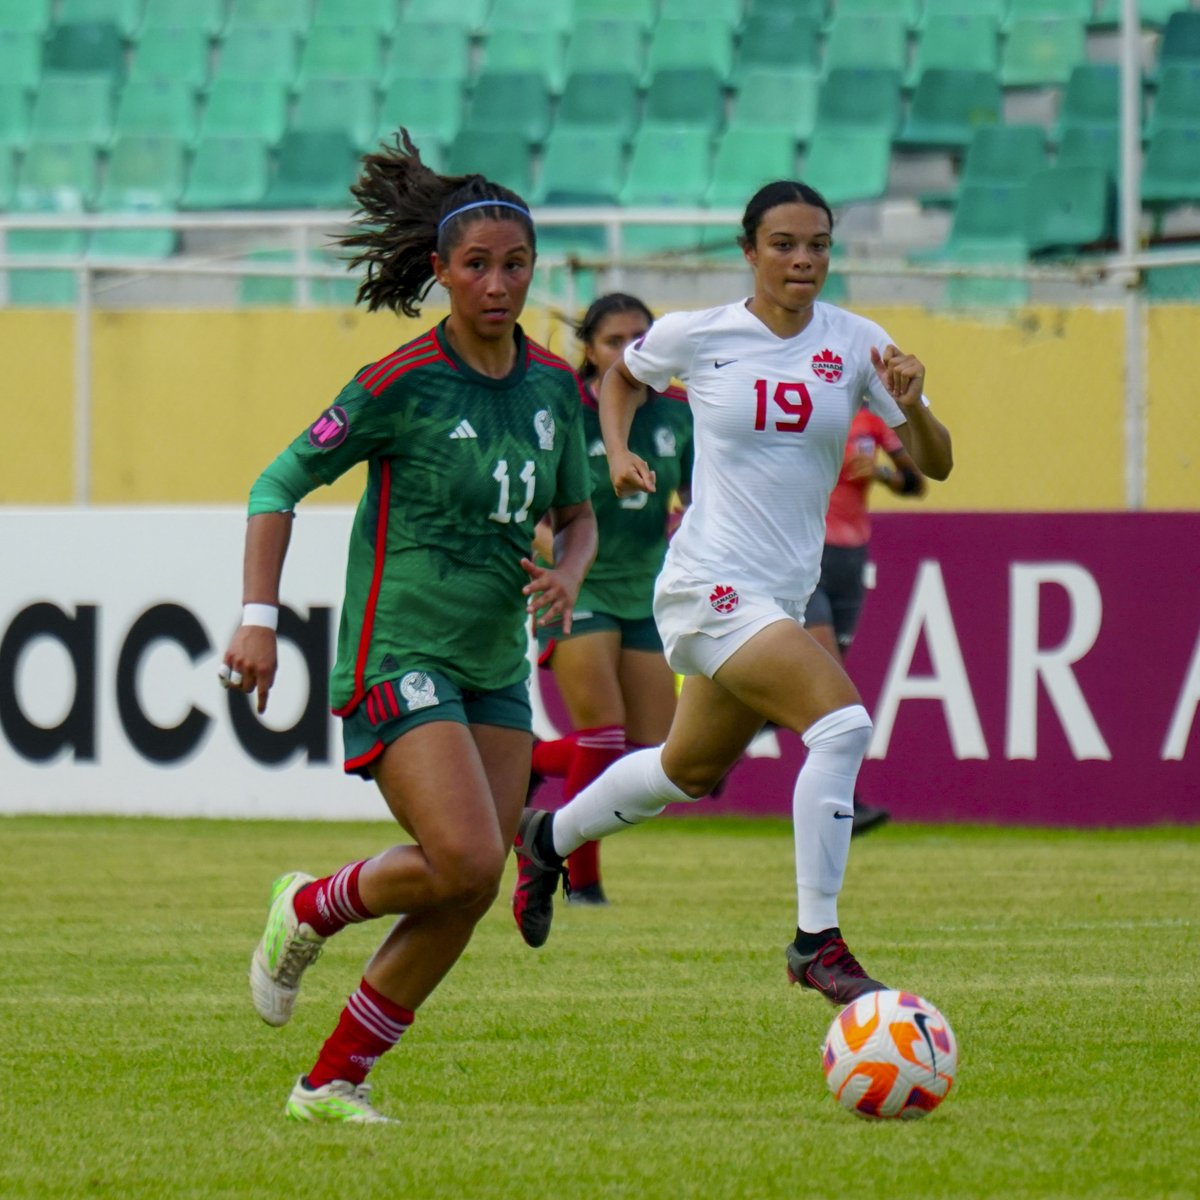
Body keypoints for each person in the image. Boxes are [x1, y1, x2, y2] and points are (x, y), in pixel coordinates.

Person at [219, 130, 597, 1124]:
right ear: (438, 271)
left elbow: (581, 511)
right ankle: (309, 906)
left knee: (464, 888)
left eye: (515, 265)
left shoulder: (557, 387)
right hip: (400, 653)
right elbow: (277, 480)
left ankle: (332, 1080)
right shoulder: (401, 383)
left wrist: (566, 570)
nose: (498, 283)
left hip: (493, 666)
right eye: (476, 265)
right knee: (472, 857)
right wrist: (258, 619)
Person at [511, 180, 953, 1007]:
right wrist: (613, 450)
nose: (804, 260)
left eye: (818, 244)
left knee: (684, 769)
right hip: (708, 582)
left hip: (777, 596)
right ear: (749, 253)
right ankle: (816, 941)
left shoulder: (860, 344)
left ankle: (547, 836)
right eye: (784, 244)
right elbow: (618, 380)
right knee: (842, 725)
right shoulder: (698, 333)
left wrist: (913, 402)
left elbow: (935, 462)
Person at [525, 293, 693, 907]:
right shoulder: (564, 409)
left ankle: (529, 759)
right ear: (589, 351)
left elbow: (700, 500)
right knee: (601, 738)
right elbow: (532, 507)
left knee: (654, 757)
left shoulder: (680, 413)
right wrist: (561, 561)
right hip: (580, 584)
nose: (630, 351)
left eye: (641, 338)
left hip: (649, 593)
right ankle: (583, 882)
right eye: (614, 341)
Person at [806, 414, 927, 836]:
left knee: (817, 686)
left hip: (850, 560)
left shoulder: (873, 418)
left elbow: (916, 483)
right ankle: (846, 805)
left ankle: (727, 744)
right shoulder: (809, 403)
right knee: (830, 682)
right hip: (808, 557)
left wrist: (880, 473)